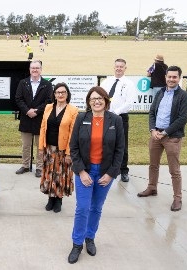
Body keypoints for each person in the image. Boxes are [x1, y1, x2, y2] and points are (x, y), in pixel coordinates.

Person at [67, 86, 124, 264]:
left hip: (105, 173)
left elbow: (120, 150)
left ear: (106, 101)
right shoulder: (81, 118)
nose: (97, 101)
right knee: (83, 208)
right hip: (85, 170)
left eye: (100, 98)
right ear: (88, 102)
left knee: (96, 208)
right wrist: (81, 171)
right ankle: (77, 243)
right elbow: (74, 147)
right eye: (93, 99)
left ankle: (89, 238)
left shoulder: (115, 120)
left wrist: (111, 174)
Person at [137, 66, 187, 212]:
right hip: (156, 135)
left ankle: (177, 198)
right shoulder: (160, 92)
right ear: (165, 77)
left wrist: (165, 132)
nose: (171, 79)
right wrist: (153, 129)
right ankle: (152, 188)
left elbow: (182, 119)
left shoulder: (184, 96)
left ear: (179, 78)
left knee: (174, 170)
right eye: (169, 77)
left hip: (172, 137)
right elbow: (152, 113)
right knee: (153, 165)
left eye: (175, 77)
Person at [38, 83, 78, 213]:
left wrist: (68, 153)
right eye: (58, 92)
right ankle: (50, 198)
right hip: (49, 148)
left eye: (63, 92)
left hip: (62, 149)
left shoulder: (73, 110)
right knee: (49, 174)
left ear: (67, 94)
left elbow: (73, 133)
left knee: (60, 174)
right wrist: (41, 147)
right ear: (54, 94)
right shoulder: (48, 107)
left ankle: (59, 199)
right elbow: (43, 127)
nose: (60, 94)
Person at [100, 58, 136, 182]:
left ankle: (124, 170)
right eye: (117, 66)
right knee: (104, 142)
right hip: (105, 116)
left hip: (120, 117)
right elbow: (100, 97)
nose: (119, 68)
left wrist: (114, 113)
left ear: (125, 68)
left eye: (121, 67)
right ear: (114, 67)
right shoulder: (106, 81)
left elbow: (129, 103)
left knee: (122, 144)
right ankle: (105, 168)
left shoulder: (129, 83)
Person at [15, 60, 52, 177]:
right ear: (29, 69)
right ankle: (25, 165)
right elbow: (18, 99)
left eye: (37, 68)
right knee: (26, 145)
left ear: (41, 69)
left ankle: (39, 168)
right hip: (26, 119)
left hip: (40, 119)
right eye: (33, 68)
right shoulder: (23, 83)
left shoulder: (47, 84)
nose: (35, 70)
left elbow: (49, 101)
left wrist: (37, 111)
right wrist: (27, 110)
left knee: (40, 146)